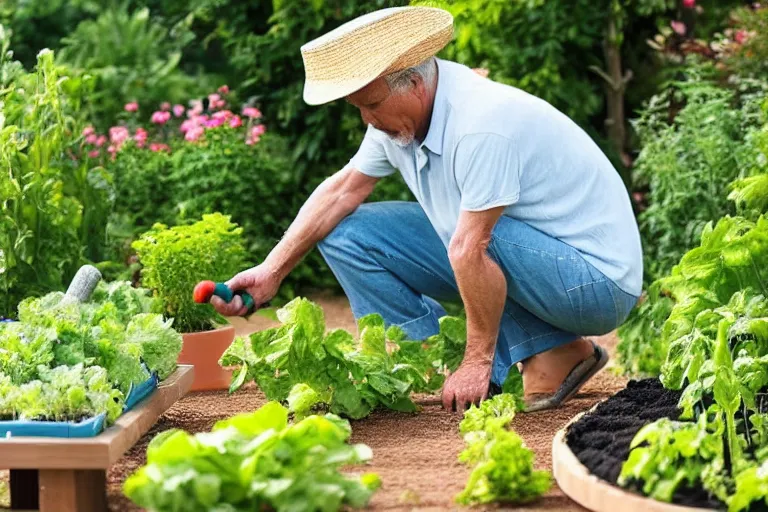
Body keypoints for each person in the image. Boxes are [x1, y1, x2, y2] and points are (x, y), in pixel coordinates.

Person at [211, 6, 643, 413]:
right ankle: (453, 358)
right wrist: (272, 270)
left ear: (414, 84)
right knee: (348, 234)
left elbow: (473, 247)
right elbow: (342, 191)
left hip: (594, 285)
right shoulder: (395, 121)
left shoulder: (480, 124)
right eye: (358, 107)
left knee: (467, 239)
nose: (367, 119)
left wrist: (477, 362)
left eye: (373, 105)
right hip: (522, 255)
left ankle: (481, 363)